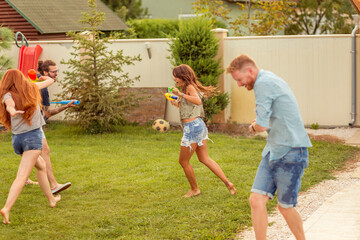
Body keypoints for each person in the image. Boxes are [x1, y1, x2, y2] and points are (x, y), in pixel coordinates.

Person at [227, 54, 312, 240]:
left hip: (290, 152)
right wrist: (260, 121)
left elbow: (261, 126)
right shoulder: (268, 78)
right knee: (256, 200)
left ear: (250, 70)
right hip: (273, 151)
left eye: (240, 80)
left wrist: (253, 126)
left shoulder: (263, 84)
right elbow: (270, 118)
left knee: (285, 207)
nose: (240, 85)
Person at [0, 69, 61, 224]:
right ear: (21, 78)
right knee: (22, 176)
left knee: (40, 166)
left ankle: (51, 199)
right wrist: (42, 77)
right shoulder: (31, 88)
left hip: (17, 139)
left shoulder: (6, 94)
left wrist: (12, 110)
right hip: (32, 138)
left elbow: (9, 105)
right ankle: (7, 208)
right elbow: (50, 81)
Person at [170, 64, 237, 198]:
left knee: (183, 161)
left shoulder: (188, 87)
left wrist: (180, 94)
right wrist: (176, 101)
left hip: (192, 129)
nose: (174, 79)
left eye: (176, 76)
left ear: (183, 76)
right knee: (204, 158)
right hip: (198, 125)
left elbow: (197, 101)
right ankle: (228, 183)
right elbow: (190, 107)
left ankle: (195, 190)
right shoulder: (188, 87)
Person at [25, 60, 74, 194]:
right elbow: (47, 114)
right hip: (34, 124)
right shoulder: (43, 89)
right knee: (44, 152)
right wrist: (66, 106)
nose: (57, 74)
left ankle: (25, 178)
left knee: (32, 154)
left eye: (57, 71)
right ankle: (53, 185)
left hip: (25, 124)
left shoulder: (33, 83)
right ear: (45, 73)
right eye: (54, 72)